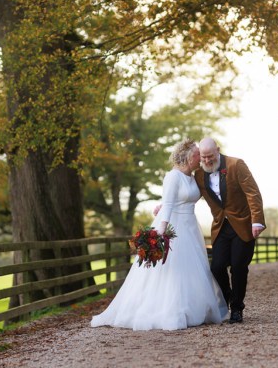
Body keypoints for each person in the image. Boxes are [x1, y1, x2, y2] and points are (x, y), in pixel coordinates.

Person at [91, 139, 228, 330]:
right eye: (198, 155)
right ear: (189, 157)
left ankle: (194, 308)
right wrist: (161, 232)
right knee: (174, 269)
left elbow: (179, 198)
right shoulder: (173, 176)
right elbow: (170, 203)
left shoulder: (194, 175)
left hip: (190, 227)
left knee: (193, 269)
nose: (201, 158)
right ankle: (172, 310)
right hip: (174, 227)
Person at [194, 137, 266, 324]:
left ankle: (237, 309)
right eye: (203, 157)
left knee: (238, 267)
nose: (207, 161)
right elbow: (187, 194)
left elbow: (253, 193)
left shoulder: (236, 165)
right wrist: (165, 206)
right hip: (220, 227)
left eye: (210, 156)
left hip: (243, 225)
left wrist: (257, 221)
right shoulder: (199, 175)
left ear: (218, 150)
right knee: (216, 267)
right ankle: (228, 298)